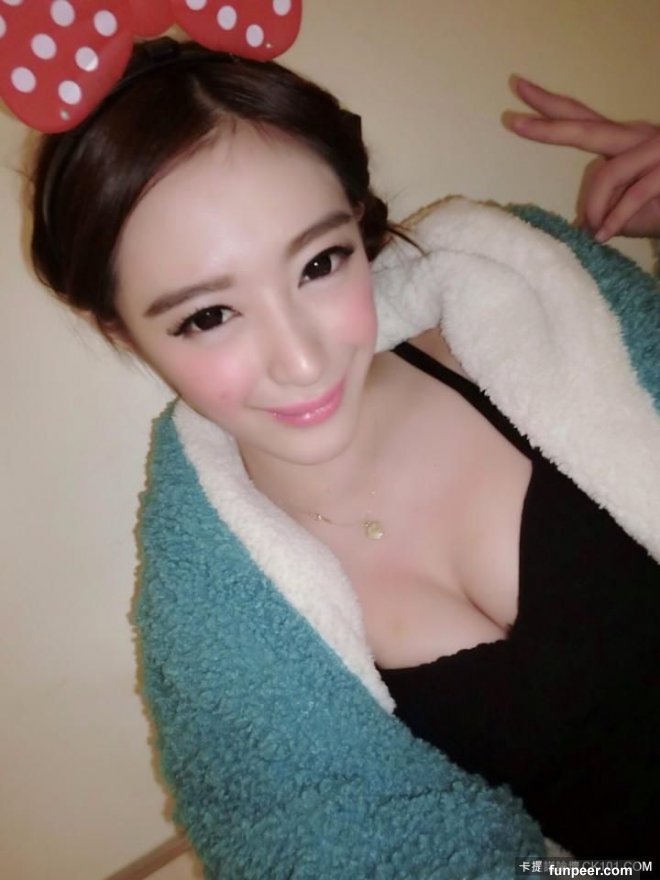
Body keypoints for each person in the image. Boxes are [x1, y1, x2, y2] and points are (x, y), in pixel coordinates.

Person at [26, 39, 659, 878]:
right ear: (122, 329)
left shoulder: (553, 314)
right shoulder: (222, 635)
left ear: (360, 224)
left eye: (320, 263)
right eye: (208, 316)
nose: (300, 360)